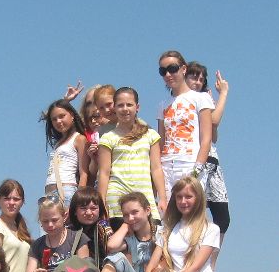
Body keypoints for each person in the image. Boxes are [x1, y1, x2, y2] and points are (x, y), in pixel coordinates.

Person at [96, 87, 166, 226]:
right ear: (115, 108)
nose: (125, 109)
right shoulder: (108, 138)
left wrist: (163, 198)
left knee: (152, 237)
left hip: (145, 199)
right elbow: (104, 173)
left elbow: (156, 168)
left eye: (129, 104)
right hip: (116, 202)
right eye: (120, 105)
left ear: (137, 107)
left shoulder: (150, 135)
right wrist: (101, 203)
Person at [155, 50, 215, 212]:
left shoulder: (201, 98)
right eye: (163, 71)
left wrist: (196, 170)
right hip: (167, 166)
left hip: (190, 163)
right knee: (167, 217)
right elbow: (161, 141)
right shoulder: (163, 105)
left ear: (183, 69)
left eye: (172, 68)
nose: (168, 74)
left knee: (191, 215)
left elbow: (206, 139)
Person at [185, 62, 230, 267]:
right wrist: (224, 94)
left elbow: (214, 135)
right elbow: (214, 121)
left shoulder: (204, 99)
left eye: (201, 79)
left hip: (213, 162)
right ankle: (193, 263)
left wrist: (212, 103)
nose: (198, 82)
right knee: (195, 216)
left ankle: (210, 265)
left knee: (222, 218)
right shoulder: (187, 101)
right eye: (194, 77)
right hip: (195, 161)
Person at [24, 196, 90, 272]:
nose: (50, 225)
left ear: (65, 216)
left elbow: (85, 271)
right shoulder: (37, 245)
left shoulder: (77, 238)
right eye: (45, 221)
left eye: (54, 220)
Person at [43, 100, 88, 208]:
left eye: (62, 116)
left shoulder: (79, 139)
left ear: (72, 115)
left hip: (66, 190)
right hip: (50, 193)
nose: (58, 121)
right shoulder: (58, 143)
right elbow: (45, 115)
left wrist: (78, 200)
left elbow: (84, 173)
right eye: (54, 119)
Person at [67, 186, 112, 268]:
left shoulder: (104, 227)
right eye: (83, 208)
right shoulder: (68, 232)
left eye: (93, 208)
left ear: (100, 210)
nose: (88, 213)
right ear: (75, 211)